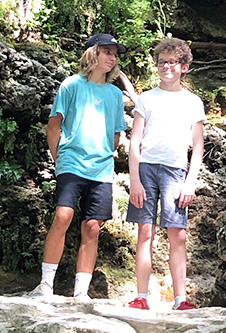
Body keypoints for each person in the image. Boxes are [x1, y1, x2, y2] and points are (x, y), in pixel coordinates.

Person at [29, 33, 129, 299]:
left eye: (114, 54)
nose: (112, 57)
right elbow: (54, 125)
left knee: (92, 226)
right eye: (107, 51)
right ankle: (45, 285)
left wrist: (107, 152)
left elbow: (117, 133)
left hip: (101, 169)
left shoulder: (115, 94)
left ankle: (80, 293)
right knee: (63, 216)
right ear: (92, 54)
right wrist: (58, 158)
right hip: (71, 162)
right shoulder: (71, 85)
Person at [124, 37, 204, 311]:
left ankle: (180, 298)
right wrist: (134, 178)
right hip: (146, 168)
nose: (167, 67)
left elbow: (199, 145)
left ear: (184, 66)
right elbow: (135, 140)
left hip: (176, 171)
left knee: (177, 234)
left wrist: (190, 181)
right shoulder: (146, 98)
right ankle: (141, 296)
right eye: (162, 62)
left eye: (173, 62)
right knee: (145, 231)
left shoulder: (193, 102)